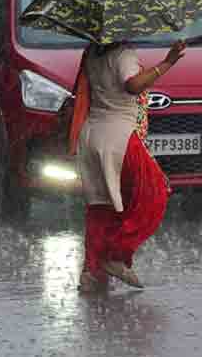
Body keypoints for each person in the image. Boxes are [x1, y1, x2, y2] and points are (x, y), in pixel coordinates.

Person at [73, 39, 186, 293]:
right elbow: (133, 85)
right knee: (154, 193)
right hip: (119, 136)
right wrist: (167, 63)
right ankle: (114, 255)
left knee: (101, 207)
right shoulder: (123, 53)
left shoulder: (92, 52)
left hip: (92, 134)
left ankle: (92, 273)